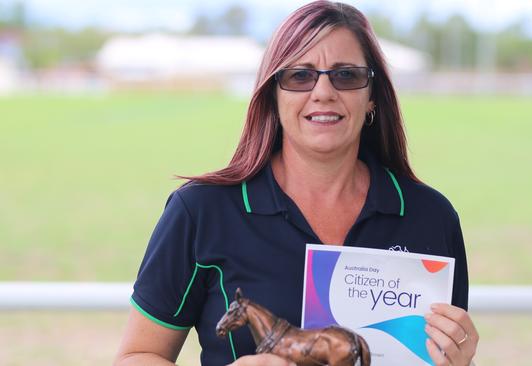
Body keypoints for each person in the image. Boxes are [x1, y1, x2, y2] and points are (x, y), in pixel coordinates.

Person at [114, 1, 479, 365]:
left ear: (372, 98)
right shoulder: (200, 211)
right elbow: (135, 356)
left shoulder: (431, 216)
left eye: (346, 75)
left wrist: (462, 361)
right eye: (299, 75)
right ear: (273, 95)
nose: (322, 92)